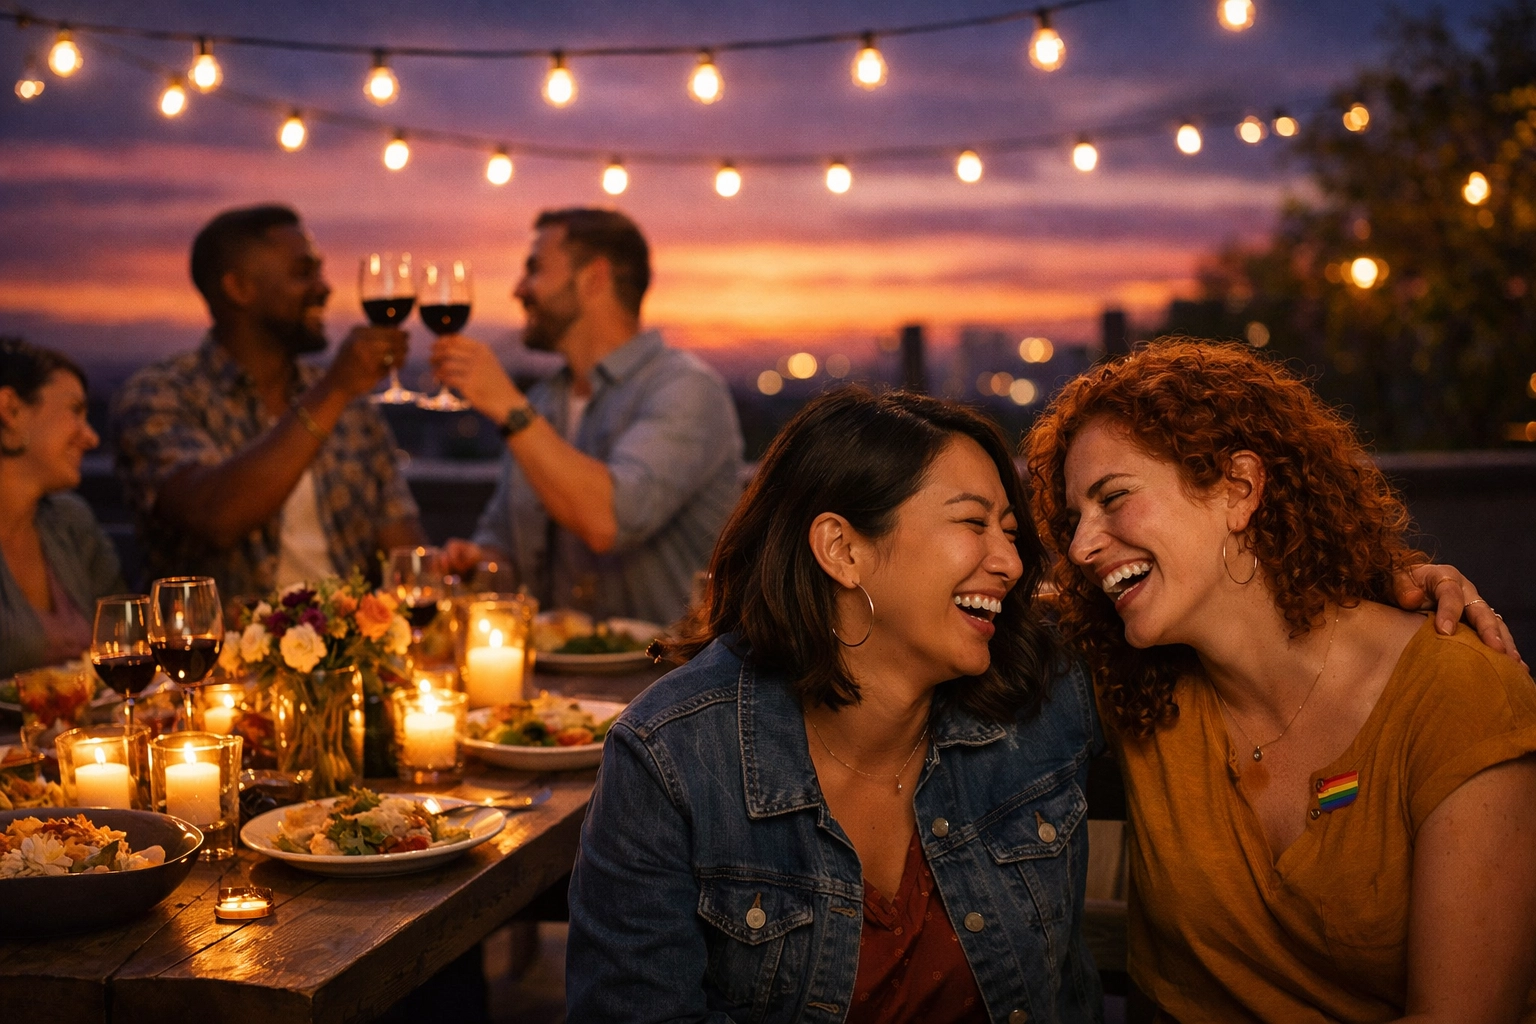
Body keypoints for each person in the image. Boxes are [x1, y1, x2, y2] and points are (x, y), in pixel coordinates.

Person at [1024, 339, 1536, 1023]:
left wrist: (1382, 577)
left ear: (1240, 489)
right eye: (1074, 520)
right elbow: (965, 617)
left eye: (1113, 498)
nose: (1083, 549)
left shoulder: (1456, 692)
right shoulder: (1135, 685)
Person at [566, 387, 1104, 1023]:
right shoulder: (673, 757)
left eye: (1010, 532)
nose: (1010, 562)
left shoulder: (1043, 689)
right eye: (972, 523)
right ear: (842, 550)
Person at [431, 208, 742, 625]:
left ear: (594, 278)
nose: (518, 290)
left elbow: (608, 521)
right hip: (554, 680)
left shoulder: (686, 389)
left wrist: (507, 405)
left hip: (667, 680)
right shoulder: (543, 402)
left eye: (535, 270)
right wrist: (476, 563)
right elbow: (503, 543)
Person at [111, 205, 425, 600]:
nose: (325, 288)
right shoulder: (160, 395)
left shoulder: (352, 405)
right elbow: (215, 517)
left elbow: (402, 545)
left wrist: (449, 567)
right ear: (239, 289)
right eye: (303, 272)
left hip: (350, 653)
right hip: (220, 657)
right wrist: (334, 391)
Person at [0, 338, 125, 677]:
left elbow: (128, 637)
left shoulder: (71, 521)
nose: (92, 438)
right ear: (10, 410)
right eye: (75, 411)